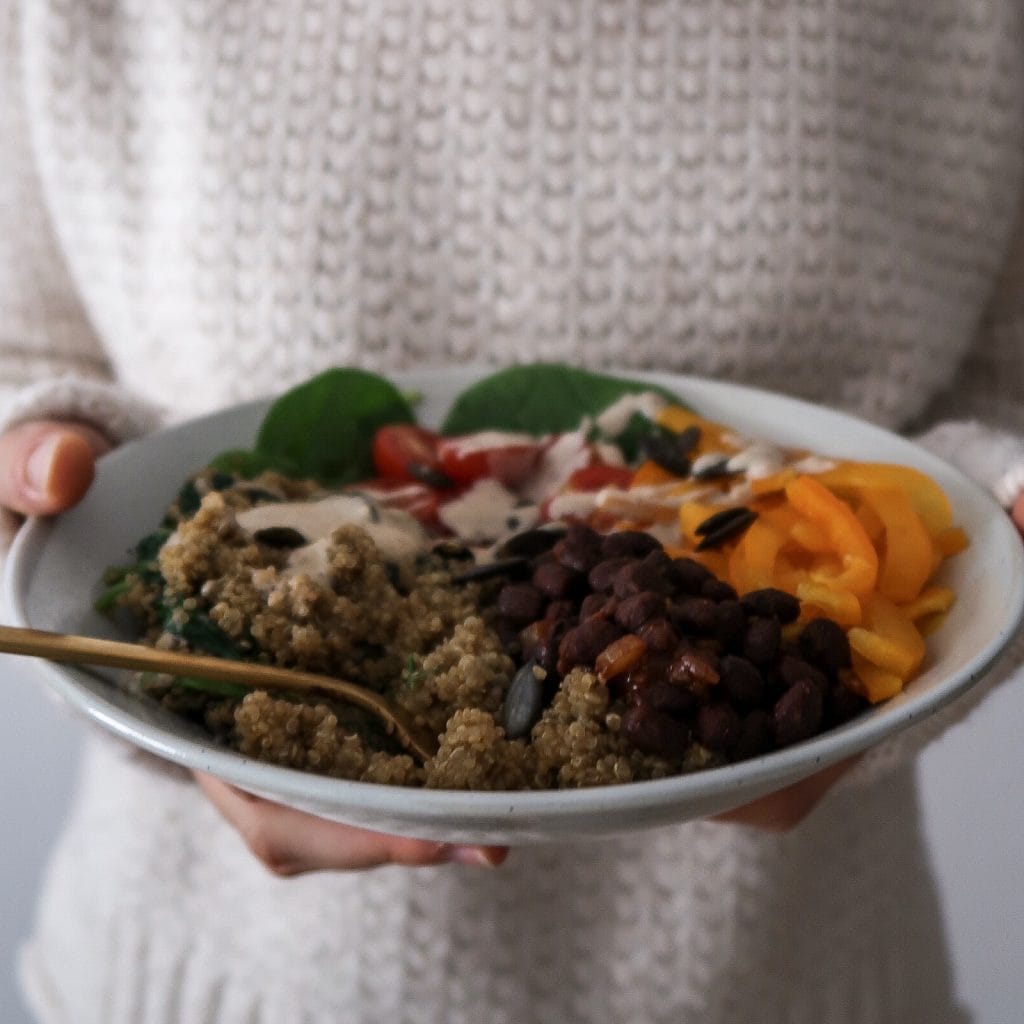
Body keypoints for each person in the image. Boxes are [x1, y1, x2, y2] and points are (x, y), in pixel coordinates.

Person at [2, 2, 1023, 1021]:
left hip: (804, 973)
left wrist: (994, 526)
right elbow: (25, 347)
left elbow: (1002, 391)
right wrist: (54, 485)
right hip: (196, 971)